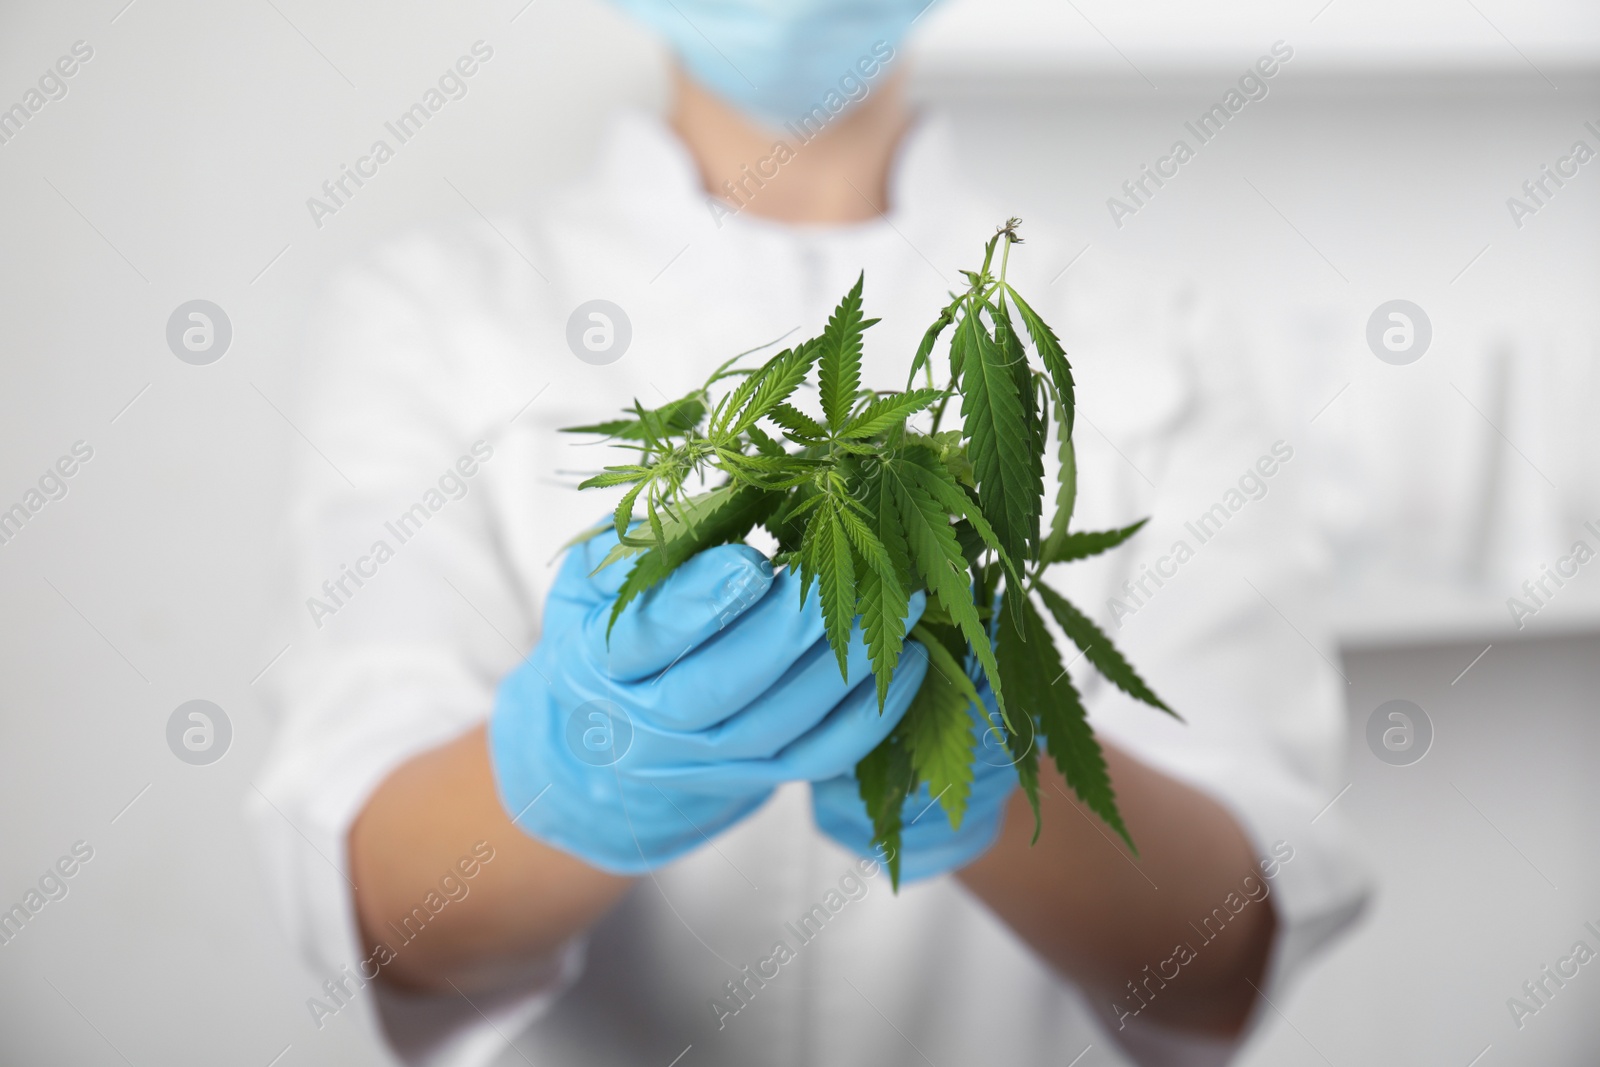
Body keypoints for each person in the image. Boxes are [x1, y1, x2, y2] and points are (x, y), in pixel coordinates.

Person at [249, 2, 1370, 1064]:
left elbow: (1223, 950)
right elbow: (389, 915)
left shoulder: (1160, 324)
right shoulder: (423, 310)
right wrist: (580, 761)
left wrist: (995, 763)